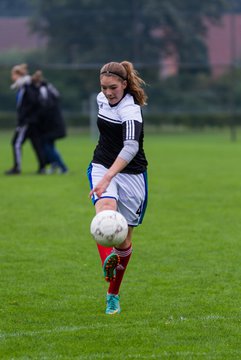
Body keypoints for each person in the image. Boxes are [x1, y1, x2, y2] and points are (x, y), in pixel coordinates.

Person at [87, 61, 148, 315]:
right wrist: (105, 177)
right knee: (105, 216)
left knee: (123, 243)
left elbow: (131, 148)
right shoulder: (102, 98)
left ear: (124, 84)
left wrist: (110, 175)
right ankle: (107, 264)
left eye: (113, 87)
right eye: (104, 87)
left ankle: (113, 293)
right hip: (102, 166)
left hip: (132, 174)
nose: (108, 92)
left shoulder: (131, 111)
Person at [5, 64, 46, 175]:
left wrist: (24, 117)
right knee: (36, 143)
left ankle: (17, 168)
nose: (11, 77)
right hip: (32, 120)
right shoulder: (26, 85)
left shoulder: (26, 86)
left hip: (27, 121)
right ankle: (42, 167)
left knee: (16, 143)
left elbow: (32, 102)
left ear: (17, 75)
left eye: (12, 75)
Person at [31, 70, 68, 174]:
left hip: (51, 124)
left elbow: (46, 107)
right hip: (54, 122)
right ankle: (54, 165)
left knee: (47, 146)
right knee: (49, 145)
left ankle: (62, 166)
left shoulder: (42, 89)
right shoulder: (49, 87)